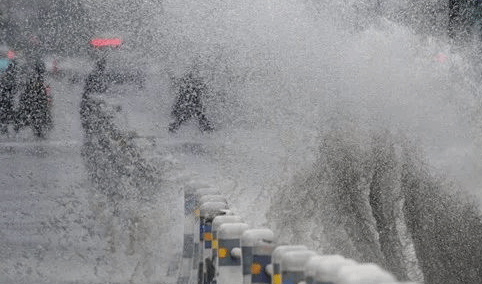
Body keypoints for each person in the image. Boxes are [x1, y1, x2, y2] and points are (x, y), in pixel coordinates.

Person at [16, 60, 52, 137]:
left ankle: (22, 127)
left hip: (33, 101)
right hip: (37, 102)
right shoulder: (39, 82)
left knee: (33, 115)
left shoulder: (32, 80)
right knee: (38, 115)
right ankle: (39, 130)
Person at [0, 61, 18, 134]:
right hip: (8, 100)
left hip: (4, 99)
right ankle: (5, 127)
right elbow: (14, 90)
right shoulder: (11, 80)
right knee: (7, 113)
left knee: (4, 113)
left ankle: (4, 127)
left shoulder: (5, 79)